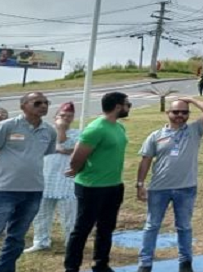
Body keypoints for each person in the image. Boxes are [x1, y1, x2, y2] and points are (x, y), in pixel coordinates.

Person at [135, 97, 203, 272]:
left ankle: (185, 263)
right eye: (176, 112)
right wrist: (140, 184)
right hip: (158, 189)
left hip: (186, 188)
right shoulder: (156, 136)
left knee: (184, 227)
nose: (180, 115)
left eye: (184, 112)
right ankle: (145, 263)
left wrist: (191, 100)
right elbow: (145, 161)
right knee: (152, 226)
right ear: (168, 113)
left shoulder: (195, 130)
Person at [64, 92, 131, 272]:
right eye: (127, 104)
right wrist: (75, 169)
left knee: (106, 228)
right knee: (82, 230)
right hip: (91, 187)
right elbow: (77, 157)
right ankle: (72, 267)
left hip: (114, 185)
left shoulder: (118, 127)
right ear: (118, 106)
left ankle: (100, 264)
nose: (128, 107)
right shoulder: (96, 128)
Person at [0, 92, 57, 272]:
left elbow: (42, 154)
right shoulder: (7, 126)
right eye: (37, 103)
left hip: (33, 191)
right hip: (4, 190)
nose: (43, 106)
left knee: (16, 238)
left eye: (46, 103)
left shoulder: (49, 131)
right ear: (23, 106)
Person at [25, 102, 81, 253]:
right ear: (55, 117)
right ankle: (41, 241)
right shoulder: (42, 132)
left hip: (67, 179)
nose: (66, 118)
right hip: (44, 178)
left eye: (69, 116)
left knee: (69, 215)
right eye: (62, 116)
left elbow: (70, 146)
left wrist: (61, 133)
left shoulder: (78, 133)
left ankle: (72, 243)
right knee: (41, 212)